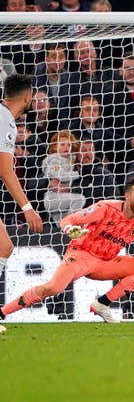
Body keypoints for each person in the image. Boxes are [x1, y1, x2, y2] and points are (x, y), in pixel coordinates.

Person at [0, 176, 134, 325]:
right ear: (126, 196)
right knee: (52, 288)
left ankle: (102, 304)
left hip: (106, 263)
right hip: (80, 256)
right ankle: (2, 312)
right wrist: (69, 229)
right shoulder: (105, 208)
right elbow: (69, 219)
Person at [0, 74, 44, 333]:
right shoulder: (5, 119)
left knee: (4, 246)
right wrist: (27, 208)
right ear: (27, 97)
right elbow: (5, 170)